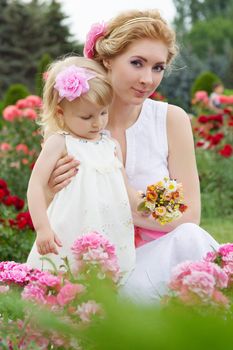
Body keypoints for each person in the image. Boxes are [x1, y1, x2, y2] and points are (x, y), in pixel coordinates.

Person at [45, 10, 219, 303]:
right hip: (97, 272)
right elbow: (56, 215)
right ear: (107, 60)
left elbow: (189, 216)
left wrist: (121, 194)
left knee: (190, 237)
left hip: (159, 261)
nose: (147, 79)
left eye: (158, 67)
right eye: (137, 63)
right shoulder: (71, 127)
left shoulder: (171, 120)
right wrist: (50, 192)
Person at [26, 55, 146, 284]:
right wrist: (43, 228)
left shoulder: (110, 145)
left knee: (107, 283)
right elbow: (36, 186)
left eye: (103, 113)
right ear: (61, 113)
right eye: (86, 116)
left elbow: (125, 188)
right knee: (65, 278)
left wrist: (145, 202)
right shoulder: (60, 143)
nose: (97, 123)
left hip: (110, 227)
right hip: (71, 227)